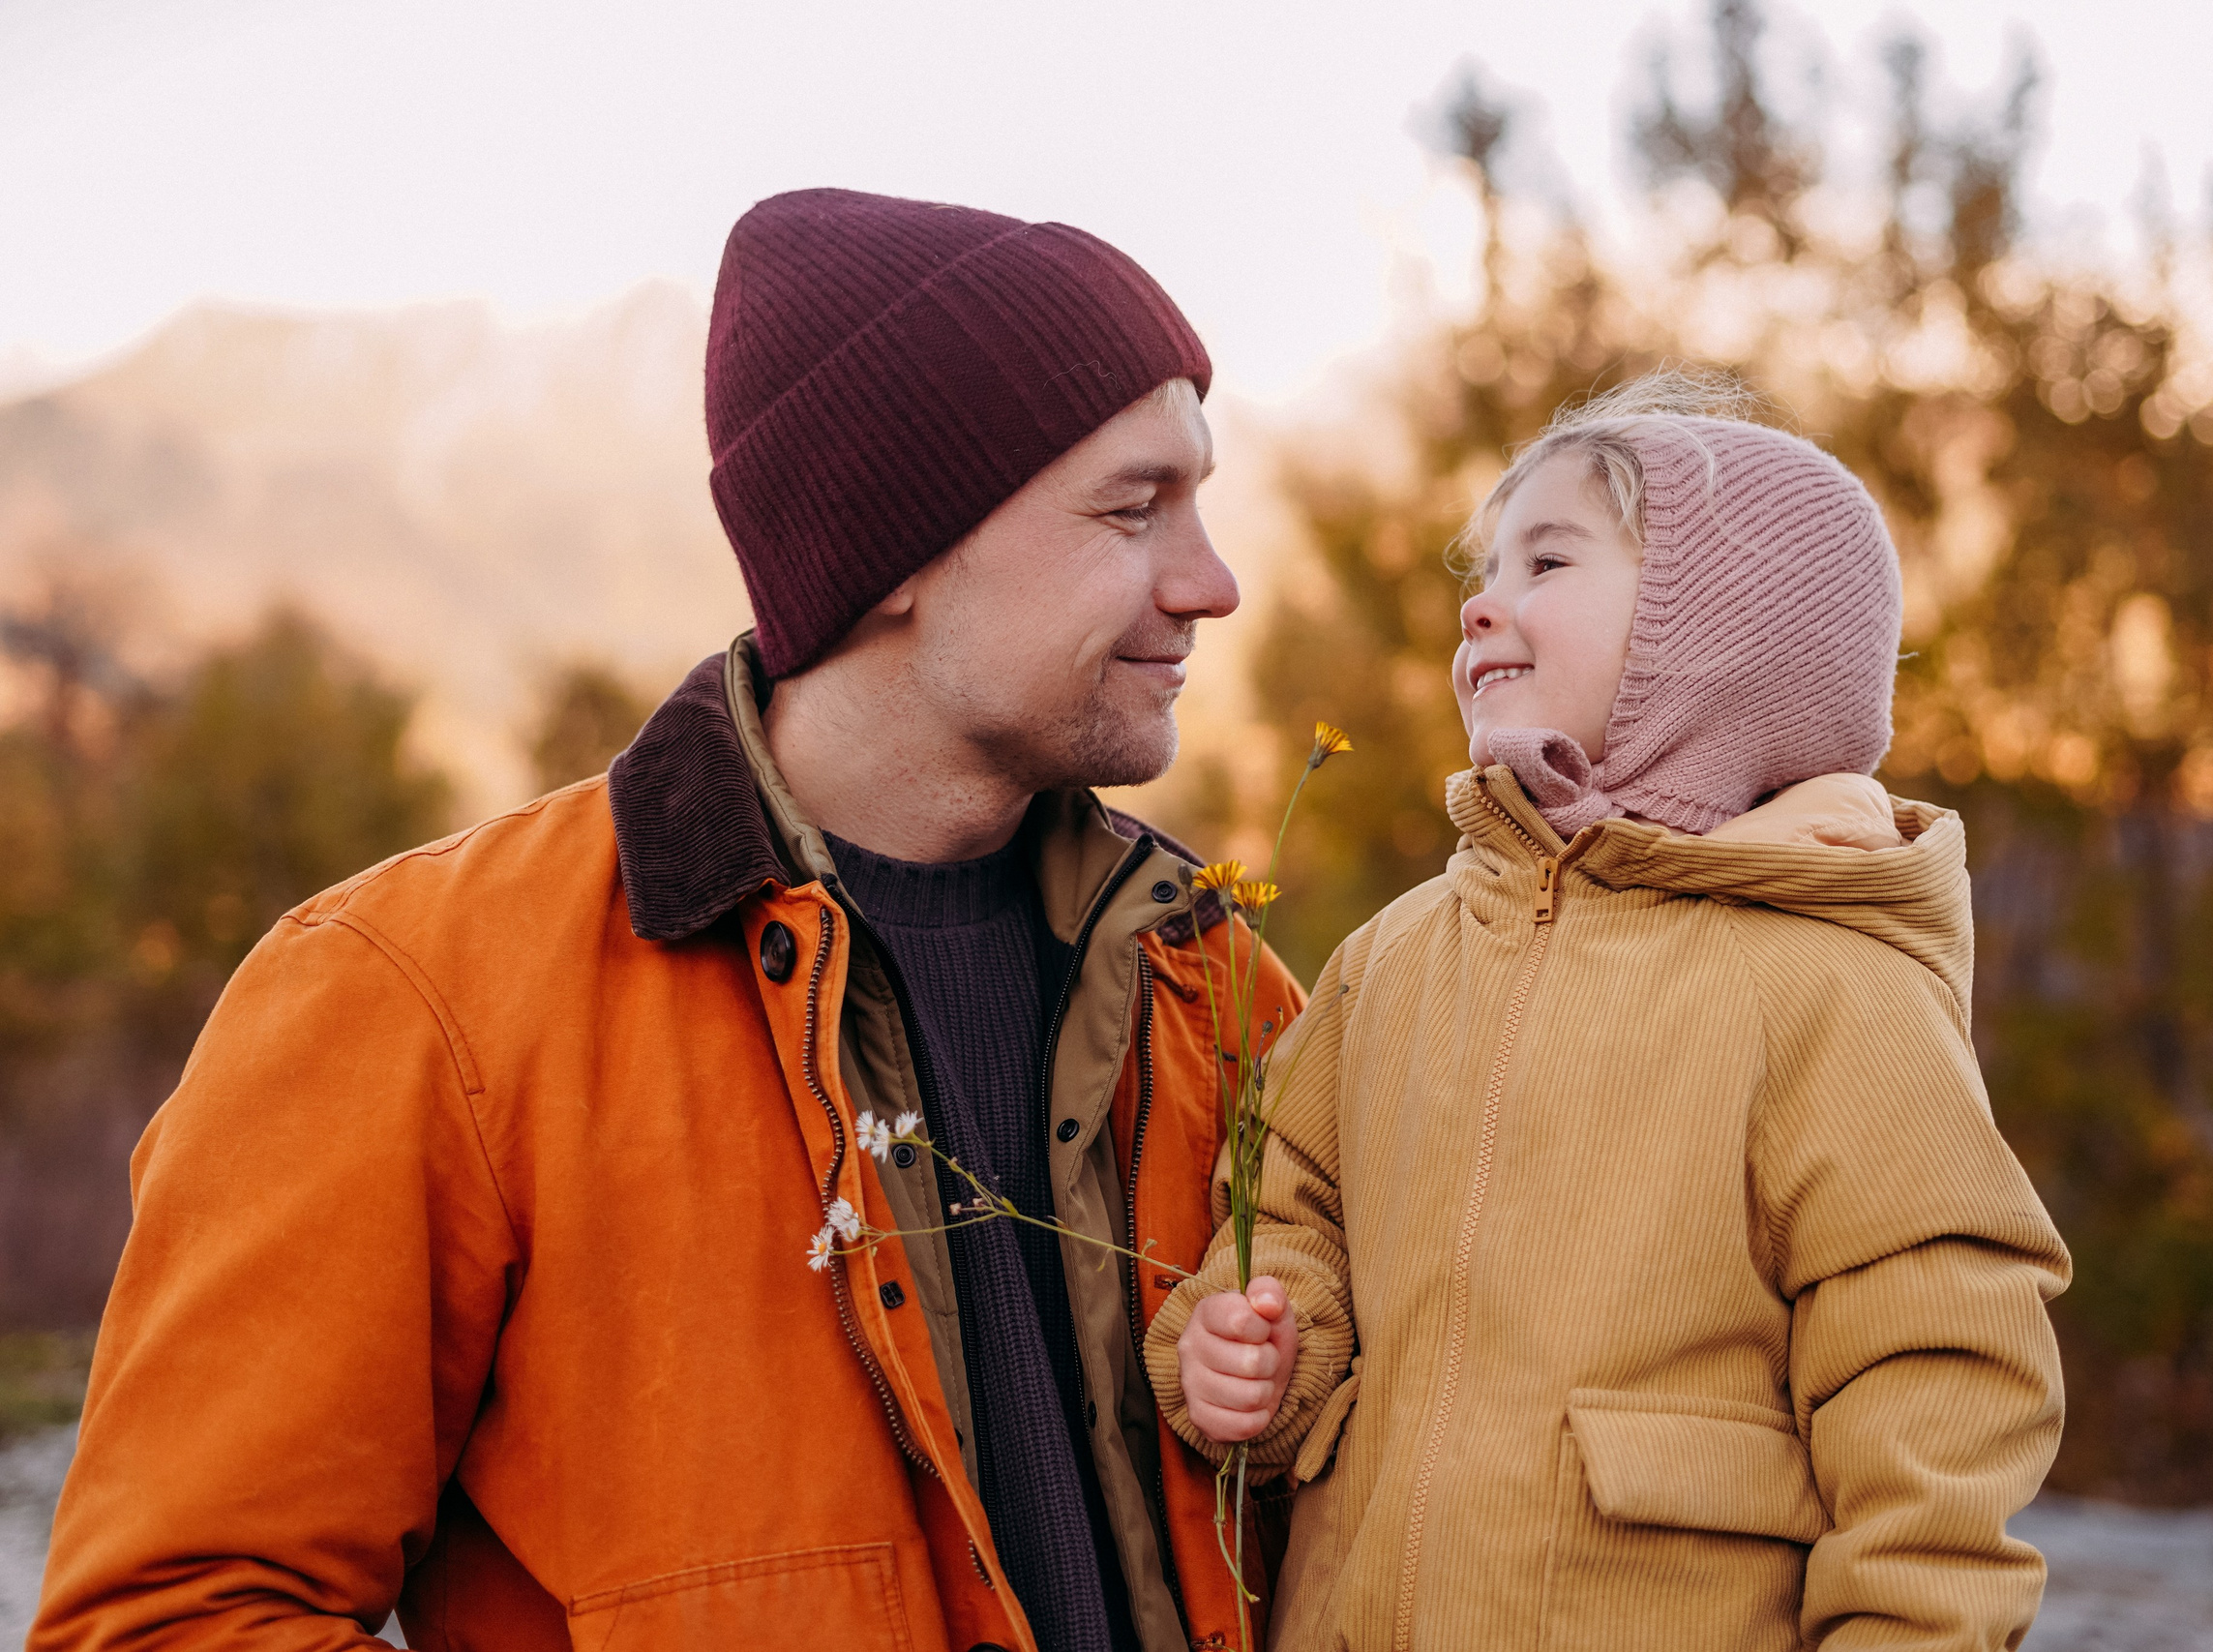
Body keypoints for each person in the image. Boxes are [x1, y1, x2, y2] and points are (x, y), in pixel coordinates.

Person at [31, 197, 1891, 1652]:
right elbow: (176, 1618)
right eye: (1132, 508)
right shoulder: (412, 1005)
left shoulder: (1234, 999)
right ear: (902, 553)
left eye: (1203, 502)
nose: (1213, 581)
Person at [1151, 375, 2073, 1650]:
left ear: (1721, 628)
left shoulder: (1828, 982)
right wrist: (1261, 1343)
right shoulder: (1399, 957)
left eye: (1549, 558)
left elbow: (1934, 1374)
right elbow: (1290, 1202)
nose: (1485, 601)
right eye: (1486, 567)